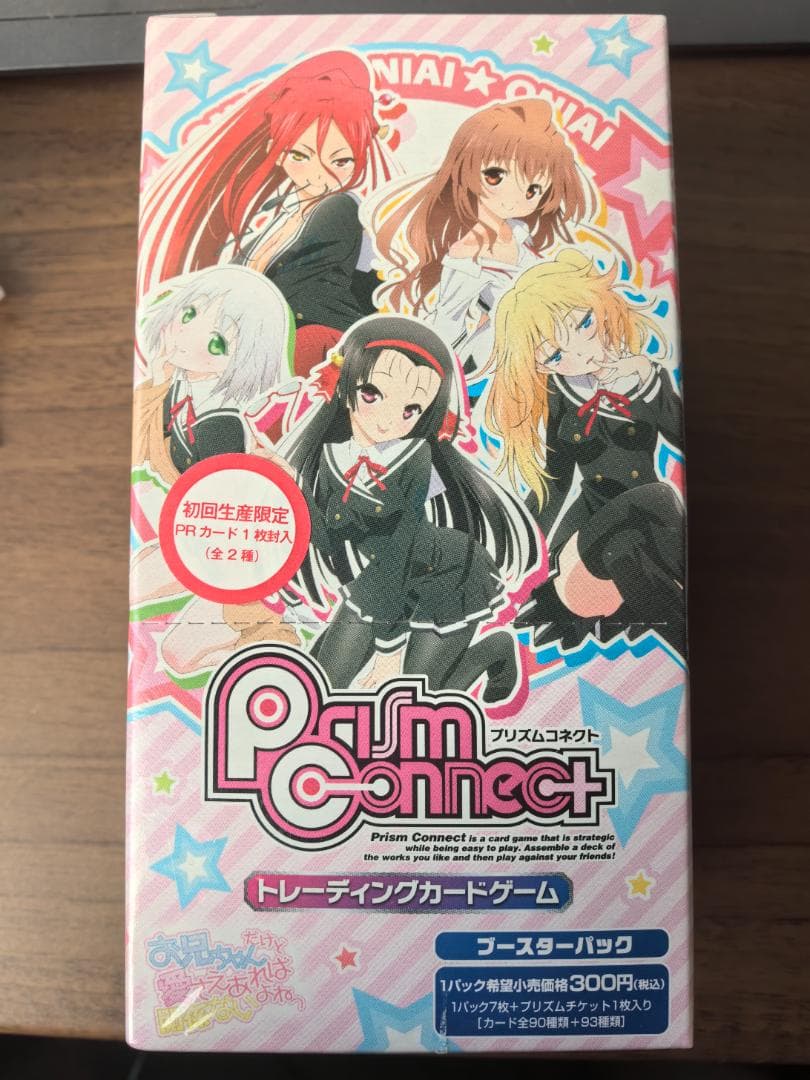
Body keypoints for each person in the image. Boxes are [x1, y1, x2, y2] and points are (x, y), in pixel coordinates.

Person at [281, 314, 540, 701]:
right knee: (322, 683)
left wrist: (386, 646)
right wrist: (291, 488)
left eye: (411, 409)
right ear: (345, 387)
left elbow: (398, 541)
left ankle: (495, 651)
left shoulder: (415, 457)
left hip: (445, 574)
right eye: (372, 394)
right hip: (377, 579)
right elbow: (330, 537)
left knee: (424, 693)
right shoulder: (333, 456)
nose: (388, 421)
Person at [138, 51, 394, 378]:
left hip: (325, 349)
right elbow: (235, 276)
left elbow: (293, 286)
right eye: (301, 155)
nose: (320, 175)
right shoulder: (282, 217)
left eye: (341, 161)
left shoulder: (341, 208)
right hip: (273, 341)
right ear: (278, 151)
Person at [486, 250, 685, 656]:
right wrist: (518, 555)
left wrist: (648, 379)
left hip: (643, 537)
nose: (584, 352)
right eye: (556, 355)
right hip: (586, 541)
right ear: (541, 366)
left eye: (585, 324)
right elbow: (553, 484)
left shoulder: (645, 377)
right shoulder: (559, 395)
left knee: (632, 539)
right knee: (658, 498)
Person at [373, 99, 589, 384]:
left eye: (533, 190)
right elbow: (448, 322)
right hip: (499, 361)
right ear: (466, 169)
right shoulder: (468, 255)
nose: (513, 199)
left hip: (551, 345)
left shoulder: (518, 233)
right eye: (496, 176)